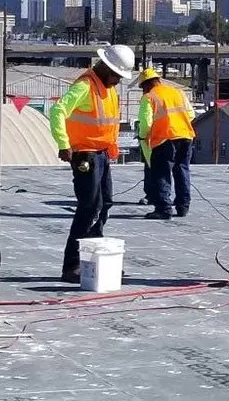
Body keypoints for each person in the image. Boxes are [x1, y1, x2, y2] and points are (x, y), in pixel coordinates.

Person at [49, 44, 135, 283]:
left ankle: (95, 260)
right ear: (106, 68)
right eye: (117, 75)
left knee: (104, 203)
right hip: (85, 155)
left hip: (101, 154)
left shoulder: (106, 88)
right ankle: (72, 266)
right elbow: (58, 111)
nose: (118, 81)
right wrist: (64, 144)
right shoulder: (85, 86)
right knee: (89, 207)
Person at [134, 66, 196, 219]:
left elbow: (146, 123)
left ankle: (163, 209)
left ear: (146, 85)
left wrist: (143, 137)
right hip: (185, 136)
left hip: (164, 139)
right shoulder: (178, 92)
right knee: (182, 170)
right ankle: (183, 206)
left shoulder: (149, 97)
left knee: (161, 173)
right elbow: (191, 114)